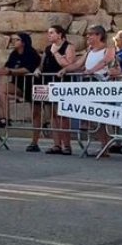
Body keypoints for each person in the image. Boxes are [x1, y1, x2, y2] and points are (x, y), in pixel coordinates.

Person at [0, 33, 43, 151]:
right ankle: (5, 118)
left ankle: (34, 142)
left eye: (16, 40)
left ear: (23, 42)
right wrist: (1, 70)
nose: (12, 42)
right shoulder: (14, 54)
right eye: (12, 40)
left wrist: (10, 71)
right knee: (1, 89)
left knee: (36, 114)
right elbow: (7, 67)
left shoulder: (31, 53)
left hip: (34, 85)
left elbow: (28, 69)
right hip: (19, 85)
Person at [36, 25, 78, 155]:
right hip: (49, 83)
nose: (49, 35)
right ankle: (56, 144)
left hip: (63, 83)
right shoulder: (48, 48)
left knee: (63, 115)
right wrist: (38, 69)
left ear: (60, 35)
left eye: (52, 33)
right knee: (53, 115)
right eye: (48, 33)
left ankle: (67, 145)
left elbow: (69, 64)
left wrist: (56, 53)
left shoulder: (68, 47)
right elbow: (42, 64)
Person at [79, 25, 117, 154]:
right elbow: (78, 64)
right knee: (95, 116)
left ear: (99, 36)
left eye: (91, 34)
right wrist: (65, 69)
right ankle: (104, 146)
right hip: (90, 85)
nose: (88, 37)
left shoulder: (108, 49)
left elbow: (106, 61)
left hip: (102, 85)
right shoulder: (89, 51)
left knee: (102, 117)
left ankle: (106, 146)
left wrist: (92, 71)